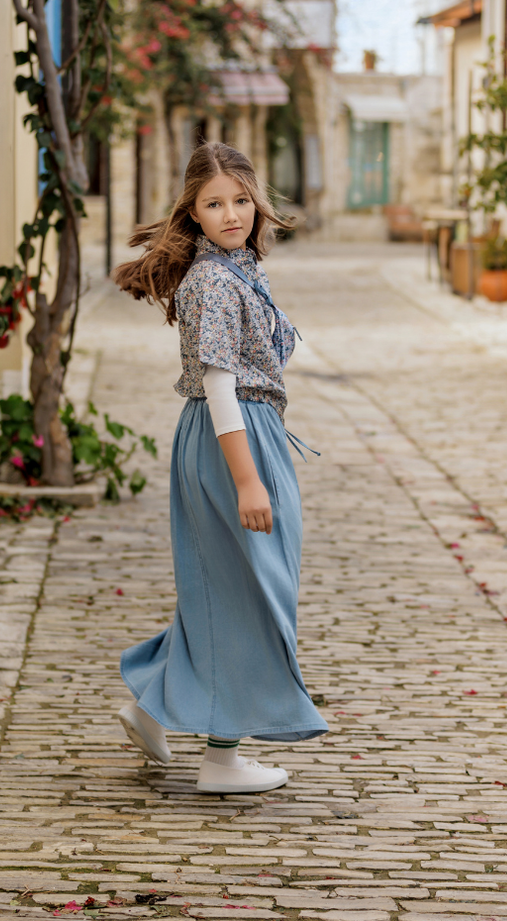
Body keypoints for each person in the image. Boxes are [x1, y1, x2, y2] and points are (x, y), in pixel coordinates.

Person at [112, 142, 328, 794]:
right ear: (193, 212)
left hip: (245, 432)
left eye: (240, 199)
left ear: (256, 200)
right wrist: (248, 479)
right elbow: (219, 383)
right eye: (214, 203)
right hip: (230, 436)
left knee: (239, 589)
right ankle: (221, 760)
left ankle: (153, 706)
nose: (231, 213)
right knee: (252, 592)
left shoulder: (238, 265)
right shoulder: (211, 279)